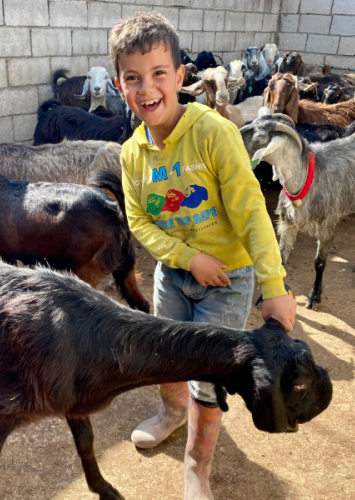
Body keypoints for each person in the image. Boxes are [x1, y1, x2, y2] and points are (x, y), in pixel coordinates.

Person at [109, 12, 297, 500]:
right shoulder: (131, 155)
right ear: (119, 85)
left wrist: (273, 287)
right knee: (166, 355)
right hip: (175, 277)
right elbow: (141, 223)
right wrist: (188, 258)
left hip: (231, 279)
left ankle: (197, 467)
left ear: (180, 76)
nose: (146, 88)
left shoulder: (214, 133)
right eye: (133, 77)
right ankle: (171, 414)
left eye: (157, 74)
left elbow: (252, 211)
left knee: (209, 376)